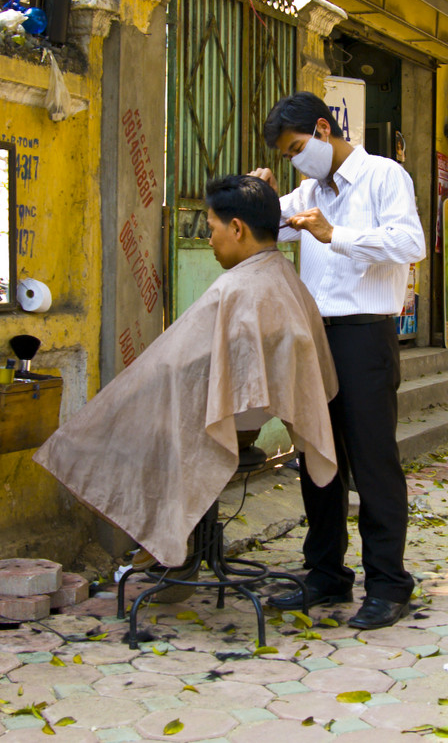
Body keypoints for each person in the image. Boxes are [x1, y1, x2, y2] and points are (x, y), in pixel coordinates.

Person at [34, 176, 339, 568]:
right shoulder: (284, 277)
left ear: (237, 228)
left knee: (115, 421)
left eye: (211, 229)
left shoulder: (237, 289)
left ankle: (162, 539)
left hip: (232, 422)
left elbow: (181, 362)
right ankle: (171, 541)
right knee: (146, 405)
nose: (209, 240)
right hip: (251, 415)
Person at [251, 91, 426, 630]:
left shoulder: (384, 176)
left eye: (297, 147)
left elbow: (410, 242)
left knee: (372, 462)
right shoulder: (306, 189)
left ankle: (388, 584)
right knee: (317, 460)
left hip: (363, 338)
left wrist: (336, 235)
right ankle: (326, 572)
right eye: (286, 155)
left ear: (324, 130)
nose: (295, 160)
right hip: (314, 338)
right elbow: (260, 231)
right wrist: (260, 196)